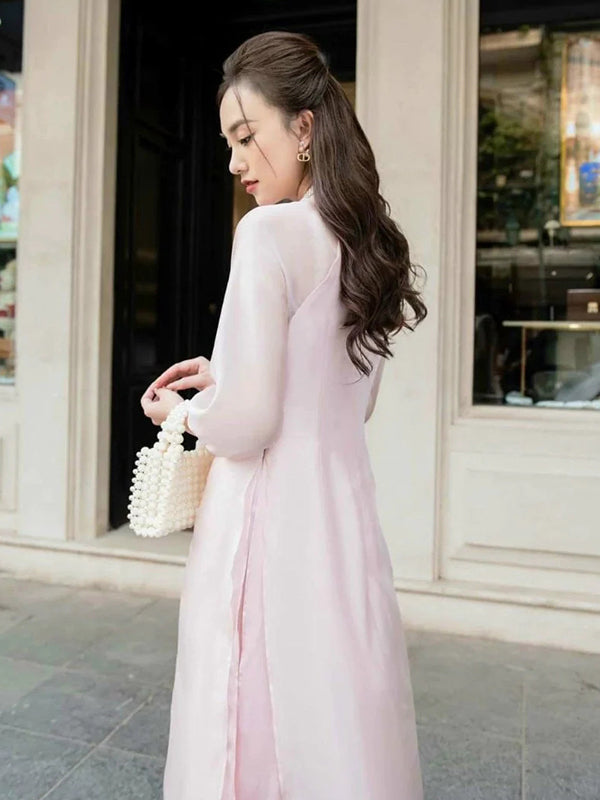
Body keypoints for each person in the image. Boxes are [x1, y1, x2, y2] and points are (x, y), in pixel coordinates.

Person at [140, 30, 427, 800]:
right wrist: (229, 373)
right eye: (229, 143)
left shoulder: (267, 232)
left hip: (265, 524)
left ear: (303, 127)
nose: (235, 161)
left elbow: (248, 422)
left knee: (249, 714)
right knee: (338, 714)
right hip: (342, 517)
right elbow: (347, 398)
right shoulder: (364, 242)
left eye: (246, 136)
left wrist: (182, 412)